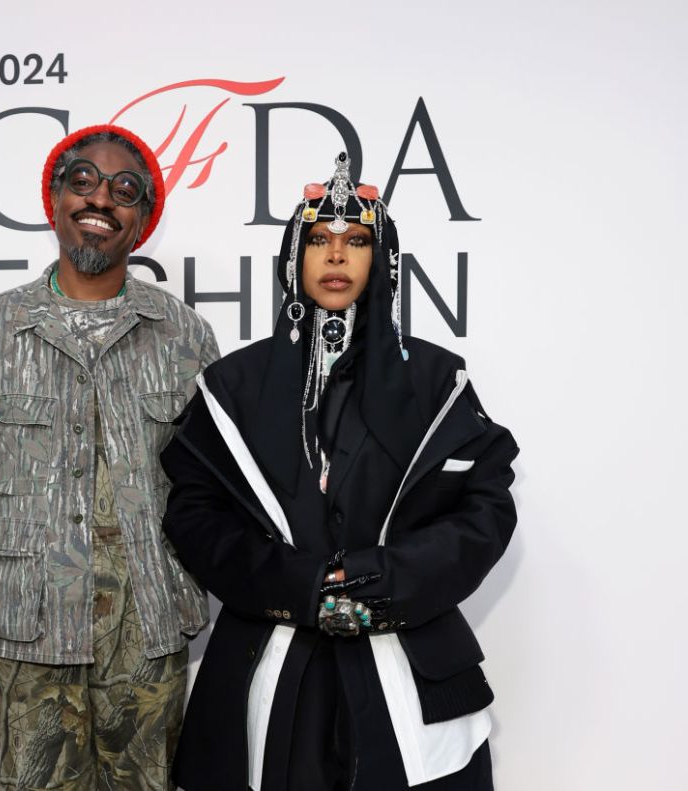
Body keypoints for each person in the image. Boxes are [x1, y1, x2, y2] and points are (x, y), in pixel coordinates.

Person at [161, 152, 519, 790]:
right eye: (320, 240)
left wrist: (376, 579)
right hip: (268, 662)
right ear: (293, 257)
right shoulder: (231, 385)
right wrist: (297, 583)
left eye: (356, 241)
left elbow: (485, 509)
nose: (336, 256)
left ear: (380, 259)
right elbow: (194, 515)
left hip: (408, 663)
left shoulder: (436, 379)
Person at [0, 124, 219, 791]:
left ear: (142, 219)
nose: (100, 198)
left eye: (124, 188)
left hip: (148, 634)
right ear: (54, 200)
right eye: (82, 179)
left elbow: (212, 490)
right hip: (25, 629)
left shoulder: (186, 336)